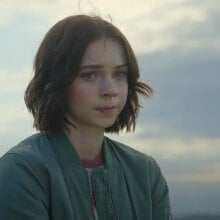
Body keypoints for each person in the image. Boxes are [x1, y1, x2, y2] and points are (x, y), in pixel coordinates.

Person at [0, 15, 172, 220]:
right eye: (90, 75)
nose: (110, 90)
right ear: (56, 81)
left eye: (119, 74)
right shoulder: (21, 171)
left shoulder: (144, 172)